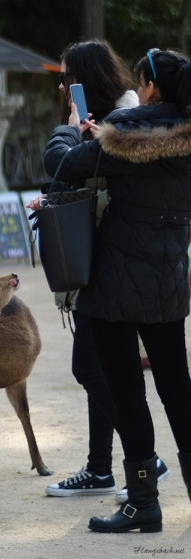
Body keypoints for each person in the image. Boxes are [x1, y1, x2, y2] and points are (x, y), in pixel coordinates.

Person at [43, 47, 191, 533]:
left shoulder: (128, 130)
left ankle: (143, 503)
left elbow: (62, 165)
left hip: (115, 290)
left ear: (149, 86)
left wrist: (70, 126)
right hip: (169, 283)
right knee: (178, 391)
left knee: (129, 395)